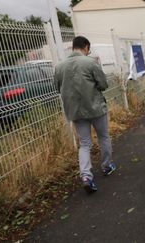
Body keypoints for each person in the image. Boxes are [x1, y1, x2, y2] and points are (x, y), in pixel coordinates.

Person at [54, 36, 116, 193]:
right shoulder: (90, 62)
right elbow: (103, 84)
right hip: (95, 108)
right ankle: (107, 166)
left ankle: (86, 177)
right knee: (103, 137)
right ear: (86, 47)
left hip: (75, 111)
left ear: (73, 47)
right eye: (89, 49)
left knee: (85, 144)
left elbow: (57, 87)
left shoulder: (60, 66)